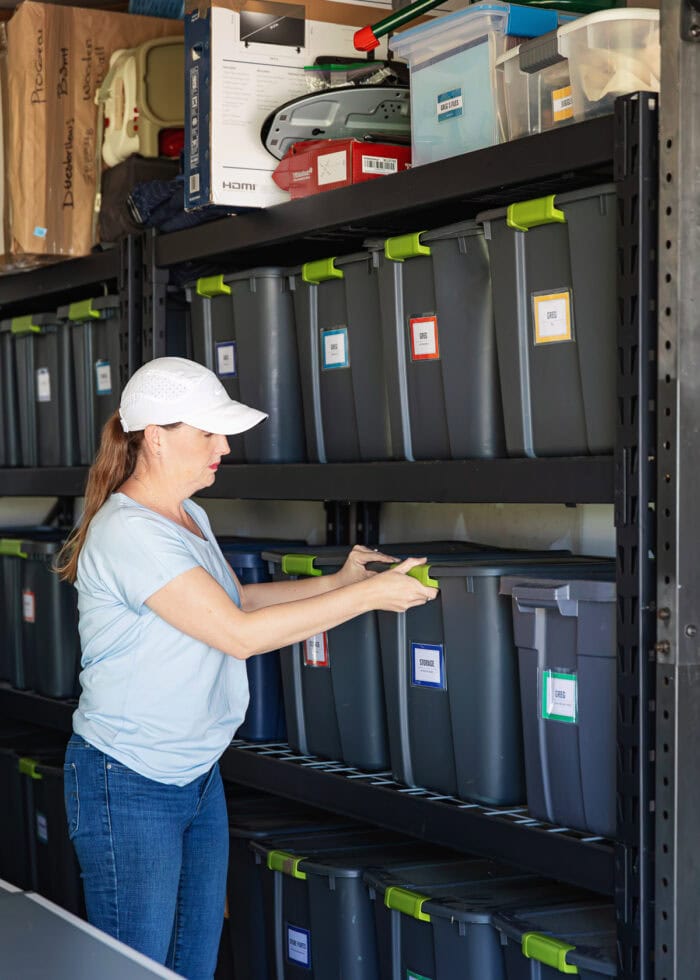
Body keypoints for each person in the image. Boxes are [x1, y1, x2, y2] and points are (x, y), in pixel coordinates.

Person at [57, 356, 437, 980]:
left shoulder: (187, 516)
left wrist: (340, 582)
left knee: (191, 967)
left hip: (196, 775)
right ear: (155, 436)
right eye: (208, 433)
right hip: (127, 782)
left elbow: (237, 603)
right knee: (135, 970)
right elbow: (237, 636)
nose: (225, 446)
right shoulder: (129, 532)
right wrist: (366, 597)